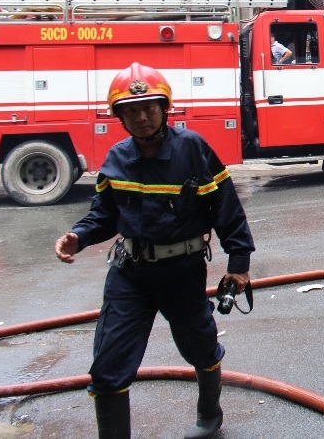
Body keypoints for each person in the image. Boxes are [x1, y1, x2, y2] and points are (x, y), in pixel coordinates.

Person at [53, 62, 255, 439]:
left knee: (200, 346)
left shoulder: (192, 149)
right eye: (131, 110)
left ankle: (210, 412)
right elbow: (104, 215)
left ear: (166, 109)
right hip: (130, 274)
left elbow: (226, 209)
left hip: (182, 271)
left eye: (149, 107)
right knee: (109, 365)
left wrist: (239, 264)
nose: (141, 116)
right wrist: (78, 237)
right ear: (120, 117)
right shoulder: (116, 158)